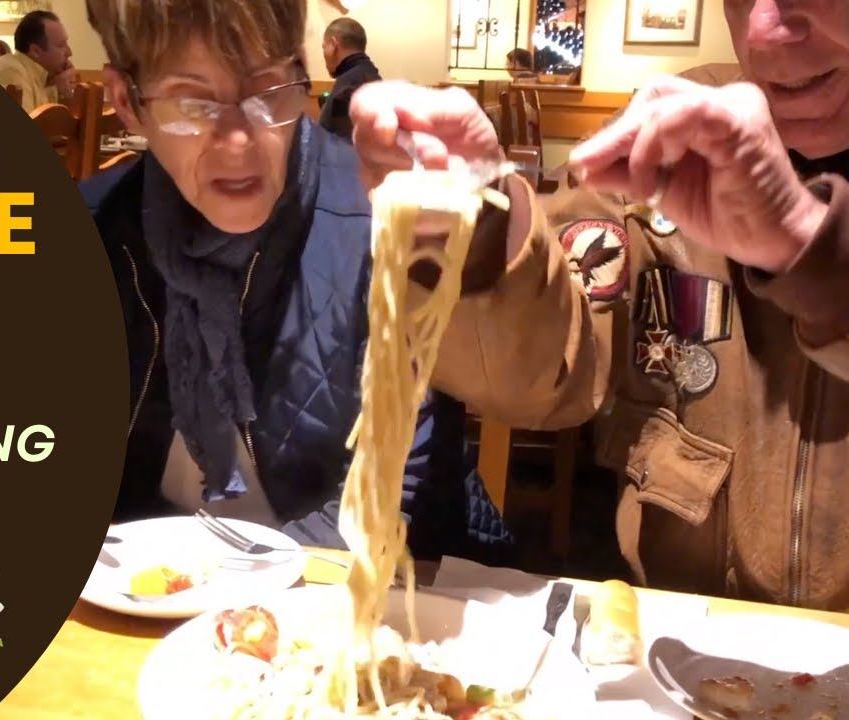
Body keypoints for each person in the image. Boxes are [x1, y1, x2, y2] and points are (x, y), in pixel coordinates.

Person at [350, 0, 849, 609]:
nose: (763, 30)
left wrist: (807, 245)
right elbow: (546, 378)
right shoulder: (678, 130)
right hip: (678, 633)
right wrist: (476, 227)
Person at [78, 0, 513, 562]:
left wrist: (236, 584)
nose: (238, 143)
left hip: (380, 583)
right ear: (126, 102)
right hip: (143, 588)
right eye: (192, 102)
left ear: (302, 77)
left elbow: (400, 492)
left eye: (266, 91)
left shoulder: (382, 219)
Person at [0, 10, 76, 113]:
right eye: (61, 45)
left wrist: (64, 91)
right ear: (36, 51)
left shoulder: (44, 77)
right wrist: (57, 91)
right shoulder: (11, 71)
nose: (69, 53)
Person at [318, 17, 381, 140]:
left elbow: (341, 146)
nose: (324, 53)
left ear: (333, 44)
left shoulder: (347, 89)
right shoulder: (372, 76)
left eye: (324, 47)